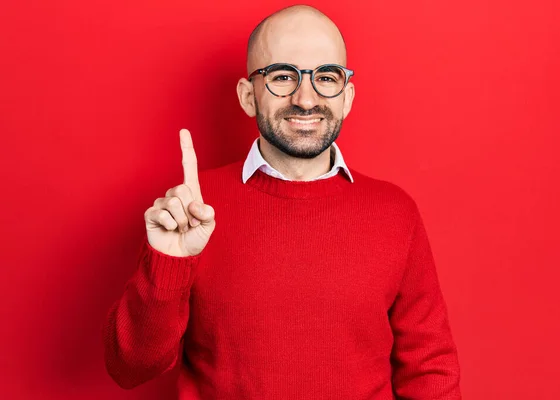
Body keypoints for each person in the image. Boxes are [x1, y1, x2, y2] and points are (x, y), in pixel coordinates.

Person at [102, 5, 462, 399]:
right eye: (282, 76)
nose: (305, 99)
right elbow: (130, 367)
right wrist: (168, 266)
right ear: (247, 96)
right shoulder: (192, 209)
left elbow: (431, 371)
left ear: (347, 97)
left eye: (326, 77)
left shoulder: (395, 213)